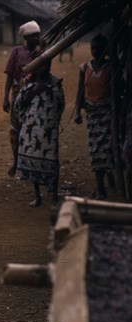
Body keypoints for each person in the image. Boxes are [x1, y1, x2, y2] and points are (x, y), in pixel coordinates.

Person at [14, 55, 65, 207]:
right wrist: (34, 91)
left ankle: (54, 196)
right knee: (32, 161)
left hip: (48, 129)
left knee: (52, 161)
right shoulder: (29, 83)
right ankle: (37, 196)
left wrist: (48, 92)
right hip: (30, 129)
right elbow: (19, 104)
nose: (44, 68)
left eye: (47, 65)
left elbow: (60, 103)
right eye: (41, 65)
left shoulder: (55, 82)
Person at [75, 34, 115, 200]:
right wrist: (77, 111)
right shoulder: (84, 68)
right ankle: (101, 184)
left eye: (99, 48)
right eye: (93, 48)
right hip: (92, 115)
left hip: (107, 114)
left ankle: (101, 185)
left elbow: (116, 92)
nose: (96, 51)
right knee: (95, 150)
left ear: (106, 49)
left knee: (106, 150)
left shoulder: (112, 68)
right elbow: (80, 92)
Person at [3, 21, 42, 177]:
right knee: (15, 130)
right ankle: (16, 161)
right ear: (26, 37)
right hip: (18, 94)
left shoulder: (40, 53)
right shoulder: (16, 52)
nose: (37, 38)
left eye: (38, 35)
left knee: (32, 130)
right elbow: (10, 75)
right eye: (34, 36)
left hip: (35, 95)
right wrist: (5, 97)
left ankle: (30, 164)